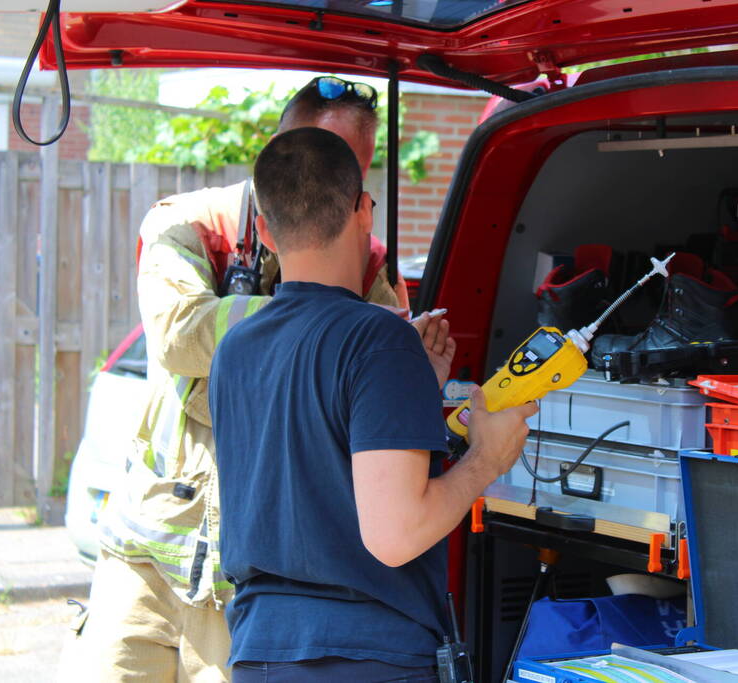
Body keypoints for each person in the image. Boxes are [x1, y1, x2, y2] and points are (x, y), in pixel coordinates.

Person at [68, 77, 407, 682]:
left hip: (246, 571)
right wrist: (312, 318)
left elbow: (378, 367)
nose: (323, 181)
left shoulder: (372, 260)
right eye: (310, 156)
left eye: (344, 171)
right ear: (274, 149)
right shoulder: (190, 223)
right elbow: (177, 335)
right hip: (145, 551)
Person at [209, 127, 538, 681]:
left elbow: (304, 478)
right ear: (365, 210)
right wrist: (487, 458)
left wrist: (415, 391)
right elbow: (396, 535)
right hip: (365, 659)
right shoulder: (380, 340)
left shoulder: (235, 346)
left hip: (259, 651)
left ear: (265, 231)